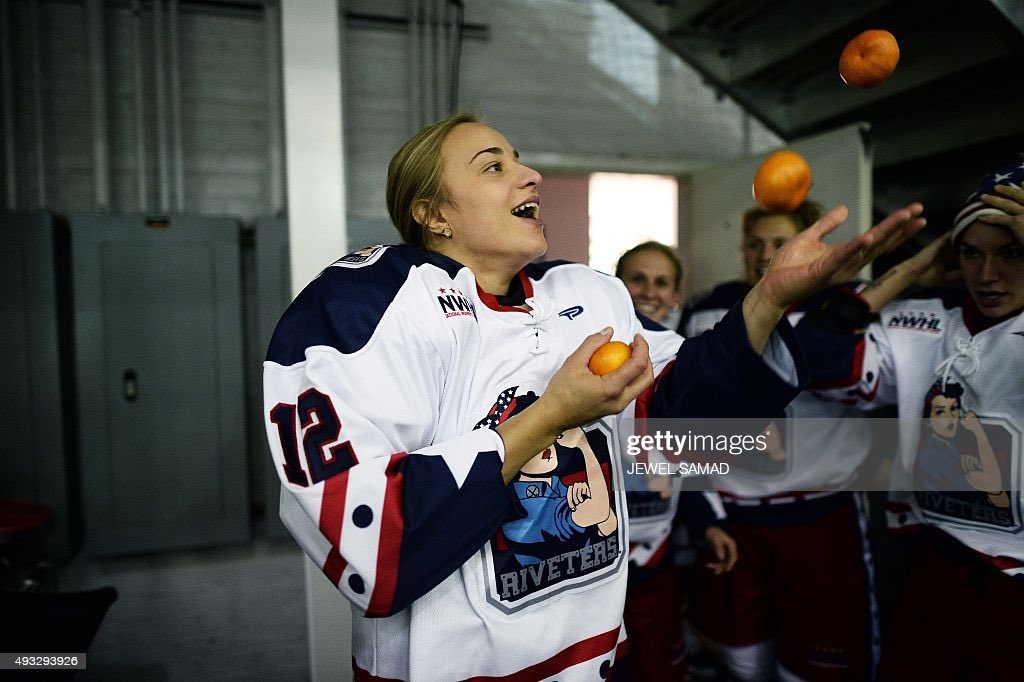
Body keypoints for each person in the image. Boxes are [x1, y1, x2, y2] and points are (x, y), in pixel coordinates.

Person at [262, 111, 924, 681]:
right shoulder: (366, 307)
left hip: (601, 659)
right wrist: (551, 414)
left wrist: (767, 301)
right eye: (493, 167)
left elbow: (688, 412)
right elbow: (377, 554)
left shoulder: (584, 294)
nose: (531, 176)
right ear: (431, 213)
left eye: (521, 160)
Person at [794, 158, 1024, 680]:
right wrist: (909, 272)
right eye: (970, 253)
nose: (987, 275)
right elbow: (812, 362)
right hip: (933, 568)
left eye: (1012, 252)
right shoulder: (925, 322)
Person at [678, 201, 882, 681]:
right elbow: (686, 422)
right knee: (739, 662)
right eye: (756, 244)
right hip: (733, 524)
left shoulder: (848, 302)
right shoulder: (707, 307)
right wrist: (704, 512)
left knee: (819, 667)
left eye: (781, 245)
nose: (767, 256)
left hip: (820, 519)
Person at [614, 241, 737, 681]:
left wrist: (709, 522)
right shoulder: (586, 351)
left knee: (660, 665)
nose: (649, 290)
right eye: (637, 279)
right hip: (594, 557)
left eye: (661, 282)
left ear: (677, 297)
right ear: (613, 286)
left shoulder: (687, 358)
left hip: (656, 555)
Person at [615, 241, 684, 330]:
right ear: (616, 285)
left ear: (676, 294)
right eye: (638, 280)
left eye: (661, 283)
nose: (649, 294)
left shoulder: (691, 340)